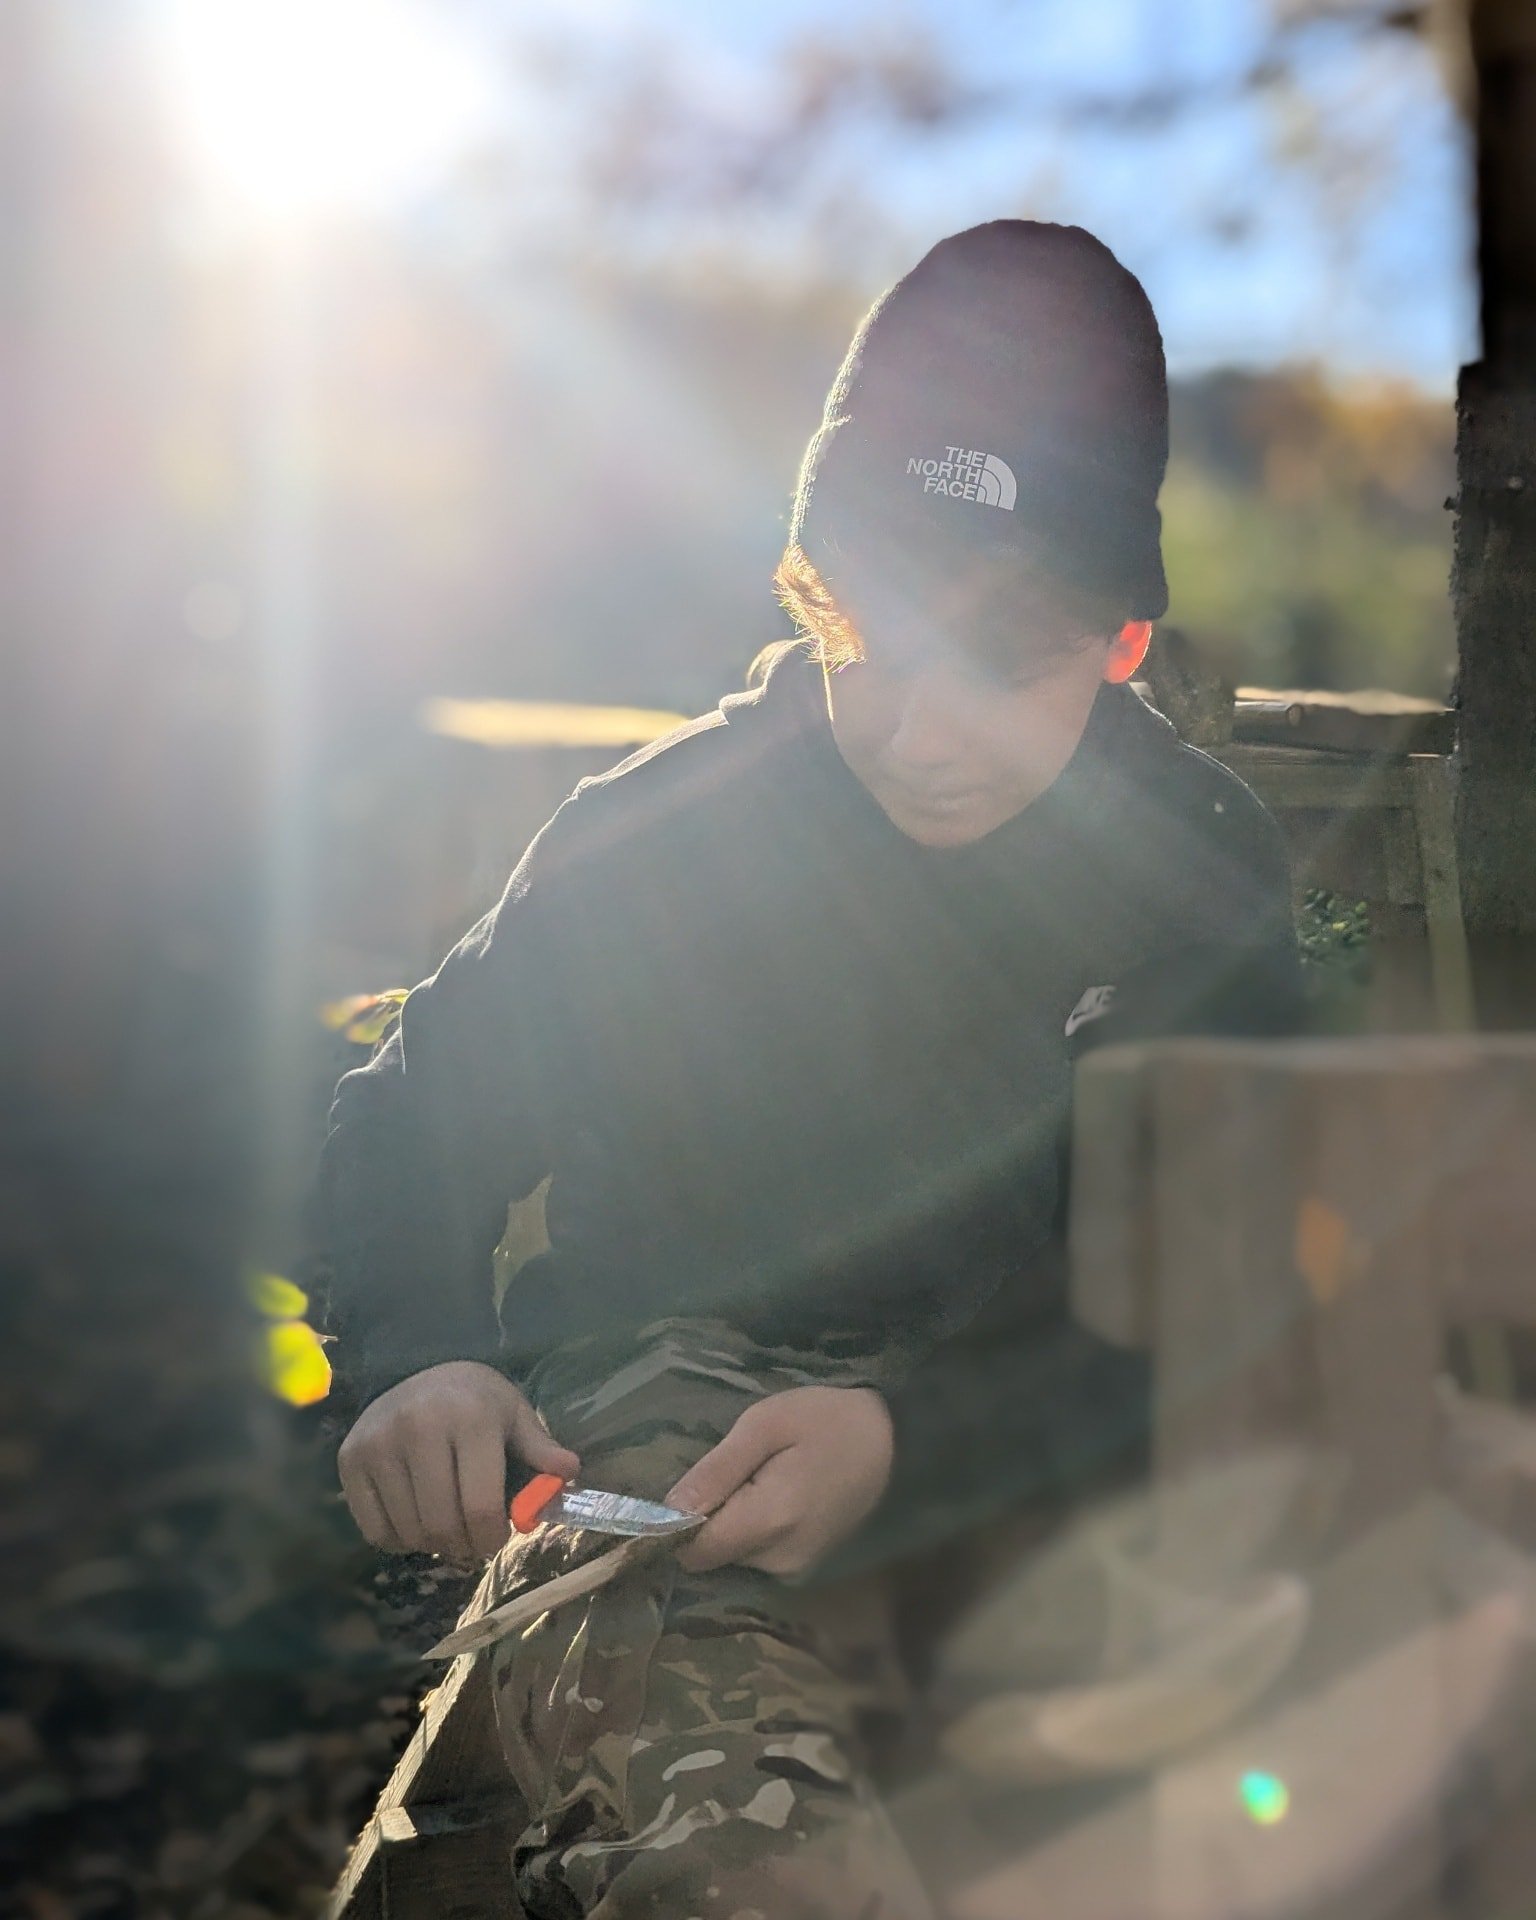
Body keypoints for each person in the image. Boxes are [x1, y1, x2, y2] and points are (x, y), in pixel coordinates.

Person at [321, 220, 1300, 1916]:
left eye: (1003, 669)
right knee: (753, 1847)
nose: (922, 736)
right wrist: (418, 1360)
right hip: (662, 1454)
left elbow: (1228, 1261)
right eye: (878, 653)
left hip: (1042, 1436)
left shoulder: (1193, 875)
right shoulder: (660, 842)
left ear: (1122, 645)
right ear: (815, 598)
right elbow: (407, 1130)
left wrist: (921, 1432)